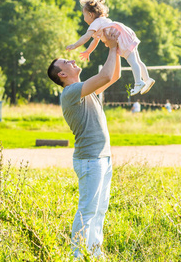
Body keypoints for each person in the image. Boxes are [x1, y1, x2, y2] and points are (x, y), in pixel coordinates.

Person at [48, 28, 121, 258]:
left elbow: (114, 76)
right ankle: (77, 256)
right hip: (90, 160)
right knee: (87, 211)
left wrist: (117, 48)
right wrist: (110, 46)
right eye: (66, 62)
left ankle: (95, 253)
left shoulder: (85, 90)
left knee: (99, 210)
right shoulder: (70, 92)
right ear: (62, 75)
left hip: (102, 158)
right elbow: (105, 76)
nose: (71, 60)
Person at [66, 0, 155, 96]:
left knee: (132, 61)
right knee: (137, 60)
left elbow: (86, 37)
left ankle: (138, 82)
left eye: (84, 15)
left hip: (121, 39)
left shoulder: (95, 23)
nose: (84, 18)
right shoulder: (103, 21)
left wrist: (75, 45)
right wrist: (88, 51)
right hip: (126, 35)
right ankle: (147, 79)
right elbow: (95, 41)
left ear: (90, 14)